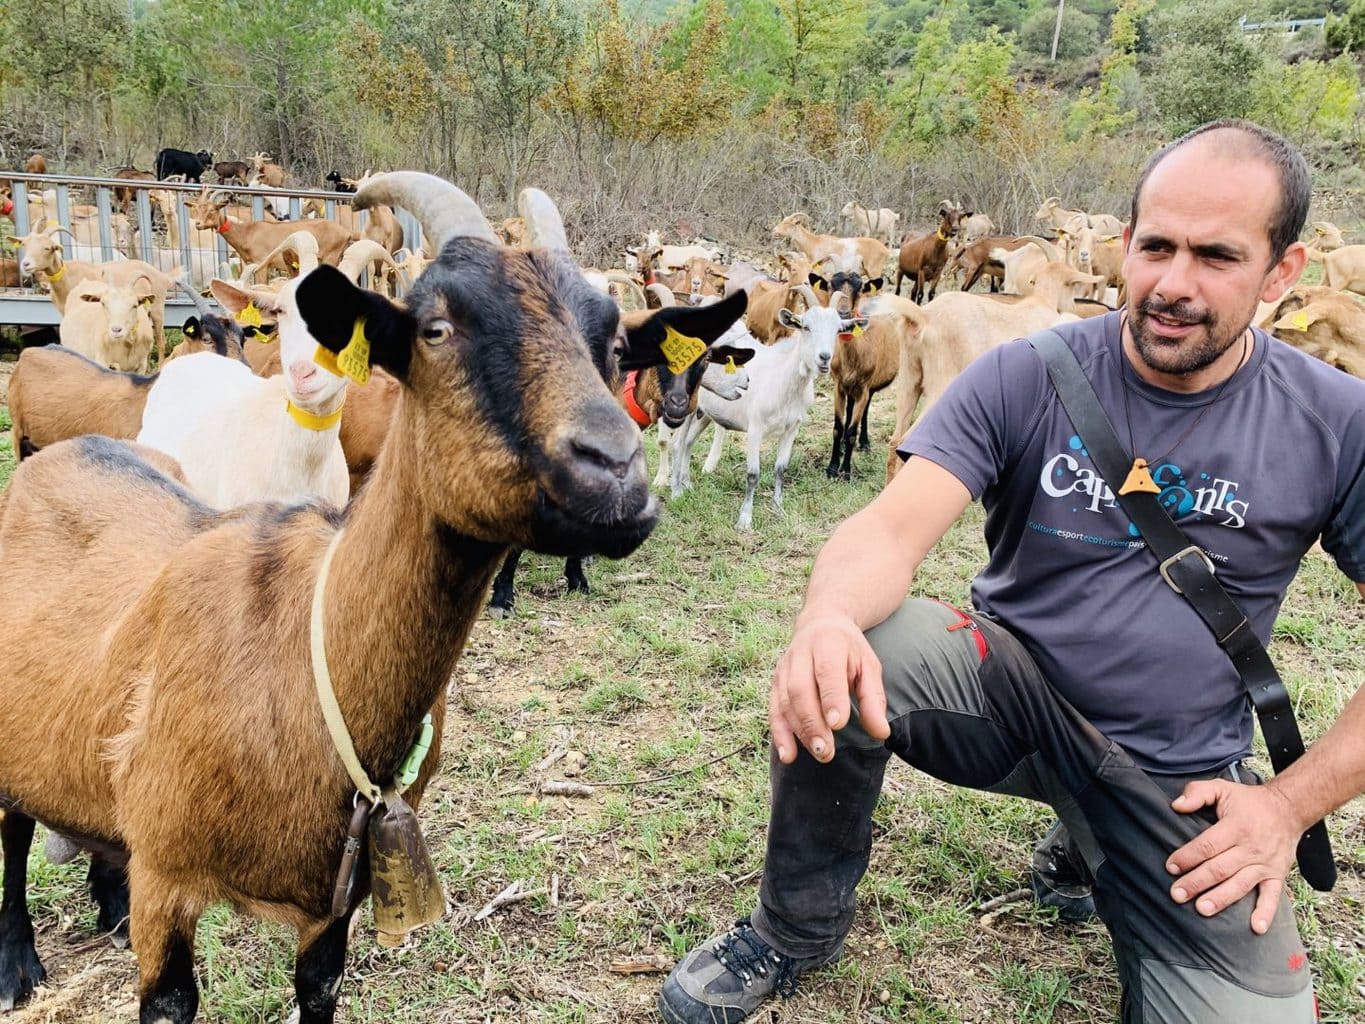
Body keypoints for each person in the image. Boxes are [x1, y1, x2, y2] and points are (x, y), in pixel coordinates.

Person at [658, 120, 1365, 1024]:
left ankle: (1091, 845)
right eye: (1155, 246)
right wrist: (825, 620)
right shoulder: (1028, 374)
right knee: (848, 652)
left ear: (1281, 273)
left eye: (1217, 257)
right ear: (1123, 245)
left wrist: (1288, 805)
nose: (1172, 284)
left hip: (1175, 770)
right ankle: (792, 927)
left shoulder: (1335, 422)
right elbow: (885, 531)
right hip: (1008, 700)